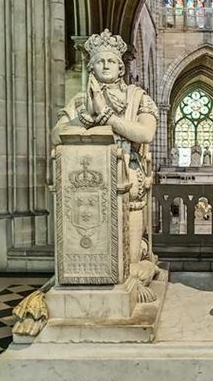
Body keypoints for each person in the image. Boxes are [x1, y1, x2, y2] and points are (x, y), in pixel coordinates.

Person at [52, 29, 159, 267]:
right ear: (91, 67)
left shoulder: (138, 98)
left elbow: (145, 133)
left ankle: (135, 267)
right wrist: (85, 117)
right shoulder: (80, 101)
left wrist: (107, 116)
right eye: (100, 61)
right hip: (88, 185)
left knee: (128, 265)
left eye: (112, 61)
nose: (106, 65)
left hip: (129, 180)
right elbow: (56, 135)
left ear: (121, 67)